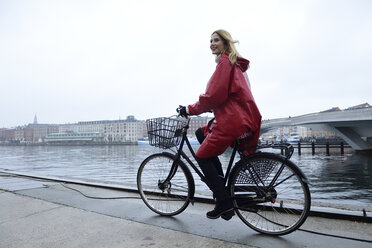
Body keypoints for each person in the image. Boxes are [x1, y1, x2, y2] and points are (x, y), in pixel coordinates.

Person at [179, 29, 261, 220]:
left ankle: (224, 202)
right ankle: (221, 183)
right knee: (201, 133)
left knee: (200, 156)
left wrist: (190, 109)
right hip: (238, 116)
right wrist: (213, 107)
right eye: (210, 41)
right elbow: (228, 95)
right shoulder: (234, 64)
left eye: (216, 40)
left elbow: (213, 96)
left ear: (226, 43)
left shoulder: (225, 62)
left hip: (232, 120)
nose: (212, 44)